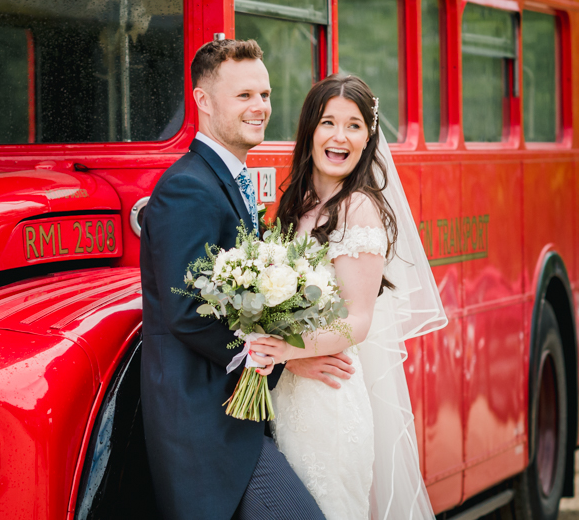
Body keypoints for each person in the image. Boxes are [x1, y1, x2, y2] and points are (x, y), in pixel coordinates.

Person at [139, 38, 326, 520]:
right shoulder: (187, 187)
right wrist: (266, 355)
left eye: (264, 95)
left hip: (235, 419)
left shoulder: (228, 178)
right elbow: (186, 310)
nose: (260, 107)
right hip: (203, 425)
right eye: (244, 96)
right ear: (203, 101)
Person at [249, 74, 447, 520]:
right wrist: (285, 356)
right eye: (328, 123)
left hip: (329, 401)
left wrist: (284, 348)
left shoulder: (358, 208)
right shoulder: (297, 205)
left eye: (354, 125)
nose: (340, 137)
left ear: (368, 137)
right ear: (310, 131)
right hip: (290, 396)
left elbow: (357, 321)